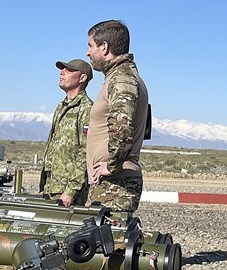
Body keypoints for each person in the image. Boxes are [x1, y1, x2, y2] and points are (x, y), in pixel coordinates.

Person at [85, 19, 149, 214]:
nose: (88, 52)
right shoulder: (117, 77)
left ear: (104, 47)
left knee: (107, 243)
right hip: (110, 183)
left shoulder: (122, 78)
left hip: (115, 185)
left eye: (90, 46)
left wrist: (112, 166)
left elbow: (122, 126)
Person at [38, 58, 93, 206]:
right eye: (62, 70)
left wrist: (70, 191)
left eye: (69, 70)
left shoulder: (86, 108)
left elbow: (85, 152)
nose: (62, 73)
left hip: (68, 193)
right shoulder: (61, 106)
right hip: (51, 187)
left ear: (82, 77)